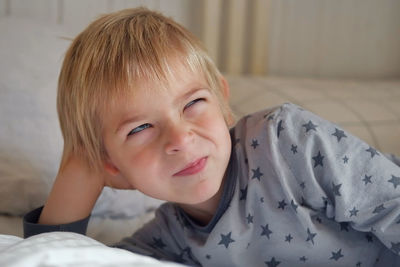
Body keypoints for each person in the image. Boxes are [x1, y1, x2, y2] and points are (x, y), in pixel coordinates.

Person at [24, 7, 400, 267]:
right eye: (139, 128)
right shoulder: (168, 239)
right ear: (110, 165)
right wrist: (83, 166)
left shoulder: (286, 142)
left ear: (221, 100)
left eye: (193, 104)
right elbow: (56, 258)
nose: (180, 138)